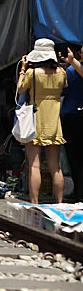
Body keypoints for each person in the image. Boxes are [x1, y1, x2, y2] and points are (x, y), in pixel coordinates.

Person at [17, 38, 66, 204]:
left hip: (35, 122)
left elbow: (20, 89)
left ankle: (34, 202)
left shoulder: (32, 73)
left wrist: (23, 70)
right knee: (56, 167)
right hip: (54, 122)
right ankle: (59, 203)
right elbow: (63, 88)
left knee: (34, 166)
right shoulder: (62, 73)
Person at [59, 45, 83, 200]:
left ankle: (78, 190)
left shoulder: (71, 71)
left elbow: (63, 90)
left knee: (74, 156)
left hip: (71, 115)